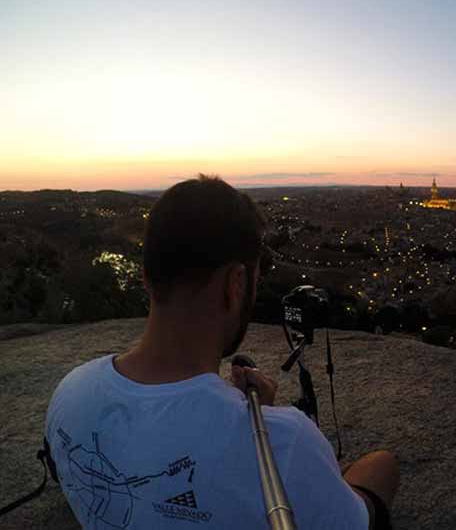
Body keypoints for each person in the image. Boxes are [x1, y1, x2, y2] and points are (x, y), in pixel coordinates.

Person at [45, 175, 399, 529]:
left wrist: (258, 416)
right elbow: (359, 520)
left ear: (146, 277)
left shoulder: (70, 393)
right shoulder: (288, 442)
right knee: (382, 465)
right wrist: (278, 437)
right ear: (236, 284)